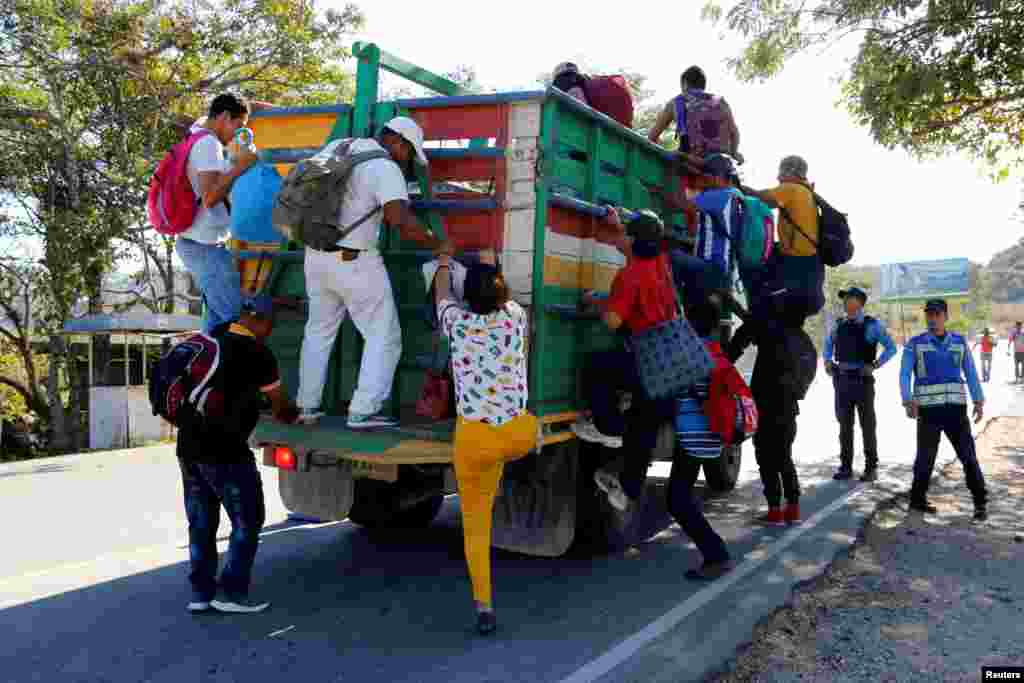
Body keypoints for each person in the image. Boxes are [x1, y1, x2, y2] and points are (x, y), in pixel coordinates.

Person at [296, 117, 453, 429]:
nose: (408, 161)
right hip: (355, 262)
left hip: (315, 256)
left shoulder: (338, 147)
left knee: (318, 333)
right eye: (409, 152)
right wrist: (436, 243)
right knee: (384, 335)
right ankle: (363, 410)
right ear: (398, 142)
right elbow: (399, 220)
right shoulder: (385, 168)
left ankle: (308, 406)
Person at [432, 249, 537, 636]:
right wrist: (492, 262)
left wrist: (444, 263)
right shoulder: (515, 317)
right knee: (531, 427)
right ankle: (532, 448)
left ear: (467, 299)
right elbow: (499, 294)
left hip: (475, 439)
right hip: (517, 434)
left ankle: (484, 606)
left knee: (476, 526)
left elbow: (441, 294)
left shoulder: (456, 323)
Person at [178, 295, 299, 614]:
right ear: (258, 320)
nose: (270, 330)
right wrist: (294, 415)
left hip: (188, 447)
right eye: (270, 323)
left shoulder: (210, 340)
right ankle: (231, 593)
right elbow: (281, 405)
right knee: (247, 519)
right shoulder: (257, 352)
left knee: (201, 522)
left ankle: (201, 594)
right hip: (226, 451)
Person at [570, 210, 678, 513]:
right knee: (646, 423)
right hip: (668, 359)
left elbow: (614, 321)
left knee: (596, 366)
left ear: (633, 239)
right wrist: (618, 229)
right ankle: (627, 489)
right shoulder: (660, 262)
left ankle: (608, 426)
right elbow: (630, 248)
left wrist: (601, 305)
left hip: (646, 357)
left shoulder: (630, 276)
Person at [176, 93, 258, 335]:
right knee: (236, 319)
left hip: (196, 242)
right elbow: (210, 197)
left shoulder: (195, 132)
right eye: (238, 125)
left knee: (215, 324)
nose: (236, 133)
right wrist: (241, 165)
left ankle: (213, 370)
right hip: (206, 246)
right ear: (223, 117)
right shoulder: (208, 144)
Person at [900, 299, 987, 521]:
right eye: (929, 314)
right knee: (925, 458)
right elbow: (904, 374)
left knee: (968, 456)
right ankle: (917, 500)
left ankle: (980, 503)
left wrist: (978, 400)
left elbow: (970, 372)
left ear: (945, 316)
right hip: (928, 412)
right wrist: (908, 400)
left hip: (956, 411)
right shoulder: (915, 344)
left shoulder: (959, 342)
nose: (932, 319)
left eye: (937, 314)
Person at [669, 293, 734, 580]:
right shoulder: (715, 350)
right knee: (680, 497)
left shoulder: (690, 355)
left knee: (678, 500)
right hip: (710, 433)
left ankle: (716, 555)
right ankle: (715, 553)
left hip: (694, 434)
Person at [727, 316, 812, 526]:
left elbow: (738, 342)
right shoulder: (798, 334)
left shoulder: (763, 323)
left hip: (765, 403)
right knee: (783, 456)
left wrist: (722, 360)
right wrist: (798, 390)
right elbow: (809, 364)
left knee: (765, 457)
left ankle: (775, 509)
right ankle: (792, 508)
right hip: (787, 405)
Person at [740, 155, 824, 332]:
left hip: (794, 261)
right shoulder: (808, 192)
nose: (778, 178)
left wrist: (734, 185)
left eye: (781, 172)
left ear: (791, 172)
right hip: (812, 263)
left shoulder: (791, 189)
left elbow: (760, 198)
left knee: (752, 269)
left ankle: (752, 319)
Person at [823, 287, 898, 482]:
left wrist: (875, 365)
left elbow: (891, 348)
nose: (845, 302)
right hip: (842, 380)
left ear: (859, 302)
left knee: (867, 425)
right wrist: (827, 361)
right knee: (844, 426)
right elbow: (828, 344)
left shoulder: (872, 325)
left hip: (862, 380)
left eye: (848, 298)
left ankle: (871, 468)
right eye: (844, 299)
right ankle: (845, 467)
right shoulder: (839, 325)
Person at [646, 66, 743, 163]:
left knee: (670, 154)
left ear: (684, 84)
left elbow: (651, 137)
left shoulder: (676, 102)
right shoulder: (720, 102)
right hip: (719, 162)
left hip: (690, 160)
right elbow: (735, 133)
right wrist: (734, 152)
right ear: (703, 85)